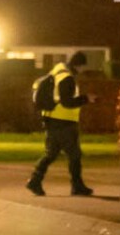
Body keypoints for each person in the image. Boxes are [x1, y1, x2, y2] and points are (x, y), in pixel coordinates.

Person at [27, 51, 95, 197]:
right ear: (79, 65)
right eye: (83, 66)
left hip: (52, 121)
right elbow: (67, 102)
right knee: (74, 155)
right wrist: (86, 99)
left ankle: (35, 180)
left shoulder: (57, 72)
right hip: (64, 122)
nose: (83, 70)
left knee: (51, 154)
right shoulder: (67, 78)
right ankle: (77, 186)